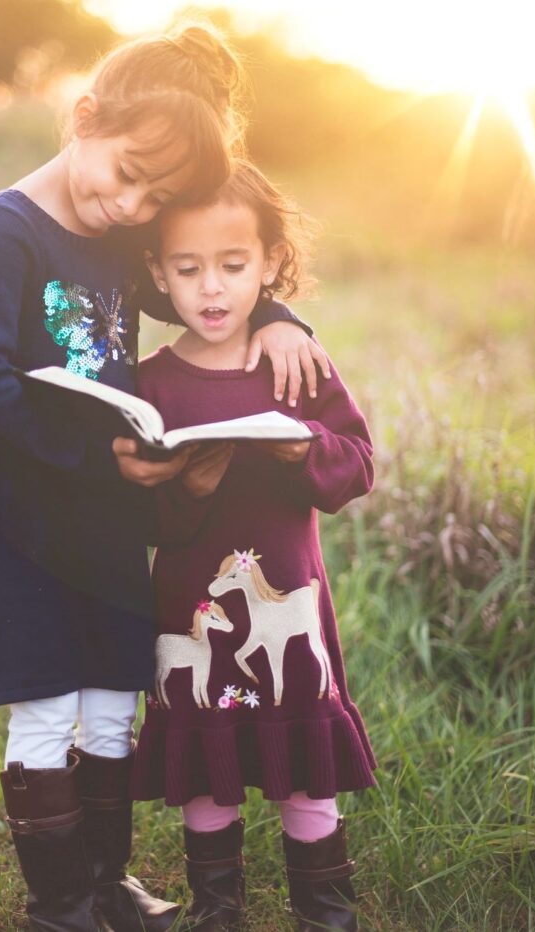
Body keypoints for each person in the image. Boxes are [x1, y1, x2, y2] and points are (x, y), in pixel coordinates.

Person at [0, 25, 330, 932]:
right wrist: (94, 457)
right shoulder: (6, 232)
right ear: (84, 118)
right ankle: (59, 903)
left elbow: (195, 288)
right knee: (47, 702)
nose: (132, 206)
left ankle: (107, 882)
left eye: (156, 196)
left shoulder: (121, 233)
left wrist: (276, 315)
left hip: (109, 511)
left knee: (116, 696)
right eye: (127, 176)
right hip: (23, 514)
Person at [130, 160, 377, 931]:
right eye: (188, 268)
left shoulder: (294, 363)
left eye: (233, 267)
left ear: (269, 265)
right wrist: (190, 490)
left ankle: (325, 909)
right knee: (207, 766)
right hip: (191, 607)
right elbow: (144, 521)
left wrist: (303, 450)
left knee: (306, 768)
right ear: (156, 272)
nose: (211, 289)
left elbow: (358, 463)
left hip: (287, 596)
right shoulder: (152, 386)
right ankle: (217, 909)